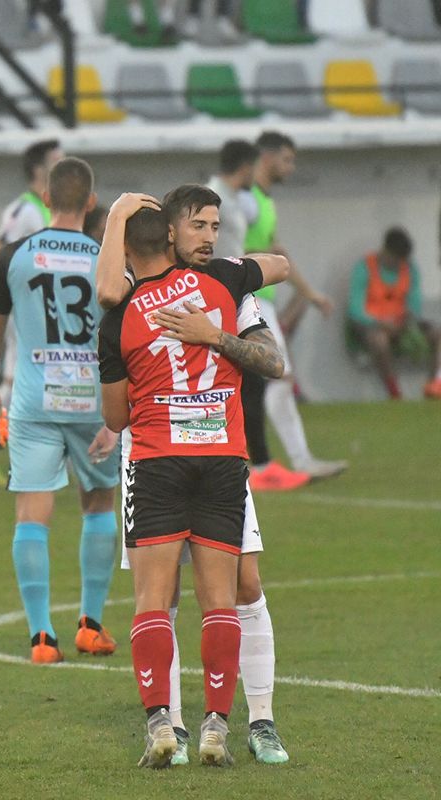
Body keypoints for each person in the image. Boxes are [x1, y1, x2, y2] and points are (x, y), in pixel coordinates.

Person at [97, 189, 290, 768]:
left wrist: (213, 337)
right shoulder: (226, 283)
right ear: (173, 234)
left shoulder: (128, 310)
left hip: (158, 459)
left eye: (215, 225)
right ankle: (204, 727)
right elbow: (279, 264)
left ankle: (213, 721)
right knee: (216, 600)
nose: (209, 236)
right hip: (220, 458)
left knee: (194, 595)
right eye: (198, 225)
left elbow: (115, 415)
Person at [0, 157, 122, 664]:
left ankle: (41, 637)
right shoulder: (105, 257)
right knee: (99, 503)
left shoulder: (14, 255)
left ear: (44, 200)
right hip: (92, 400)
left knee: (31, 513)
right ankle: (91, 625)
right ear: (91, 203)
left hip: (34, 400)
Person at [205, 139, 309, 491]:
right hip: (219, 296)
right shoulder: (212, 198)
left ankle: (255, 461)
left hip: (237, 294)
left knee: (250, 379)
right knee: (248, 379)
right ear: (245, 166)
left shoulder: (234, 201)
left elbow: (234, 249)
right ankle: (256, 463)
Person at [245, 130, 347, 485]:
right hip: (249, 300)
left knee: (276, 378)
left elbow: (278, 253)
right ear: (268, 158)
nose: (291, 167)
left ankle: (280, 462)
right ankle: (273, 464)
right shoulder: (247, 200)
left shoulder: (264, 201)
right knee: (277, 376)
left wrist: (310, 293)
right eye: (288, 159)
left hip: (262, 300)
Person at [0, 139, 65, 488]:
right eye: (58, 160)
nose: (64, 164)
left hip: (37, 307)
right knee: (15, 379)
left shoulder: (45, 208)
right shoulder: (23, 210)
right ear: (40, 170)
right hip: (21, 307)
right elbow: (0, 253)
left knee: (18, 379)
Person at [348, 227, 441, 399]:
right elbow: (355, 310)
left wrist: (408, 321)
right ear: (385, 250)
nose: (398, 264)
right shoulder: (365, 267)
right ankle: (393, 391)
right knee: (379, 340)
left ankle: (434, 384)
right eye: (395, 259)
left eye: (402, 260)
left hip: (402, 324)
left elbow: (414, 304)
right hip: (372, 325)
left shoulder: (409, 269)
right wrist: (380, 322)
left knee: (437, 334)